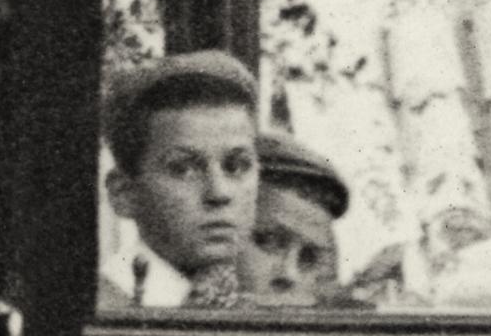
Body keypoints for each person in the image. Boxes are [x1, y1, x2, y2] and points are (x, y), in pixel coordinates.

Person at [98, 52, 361, 311]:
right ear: (124, 193)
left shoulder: (230, 304)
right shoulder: (105, 311)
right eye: (183, 168)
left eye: (237, 166)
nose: (219, 192)